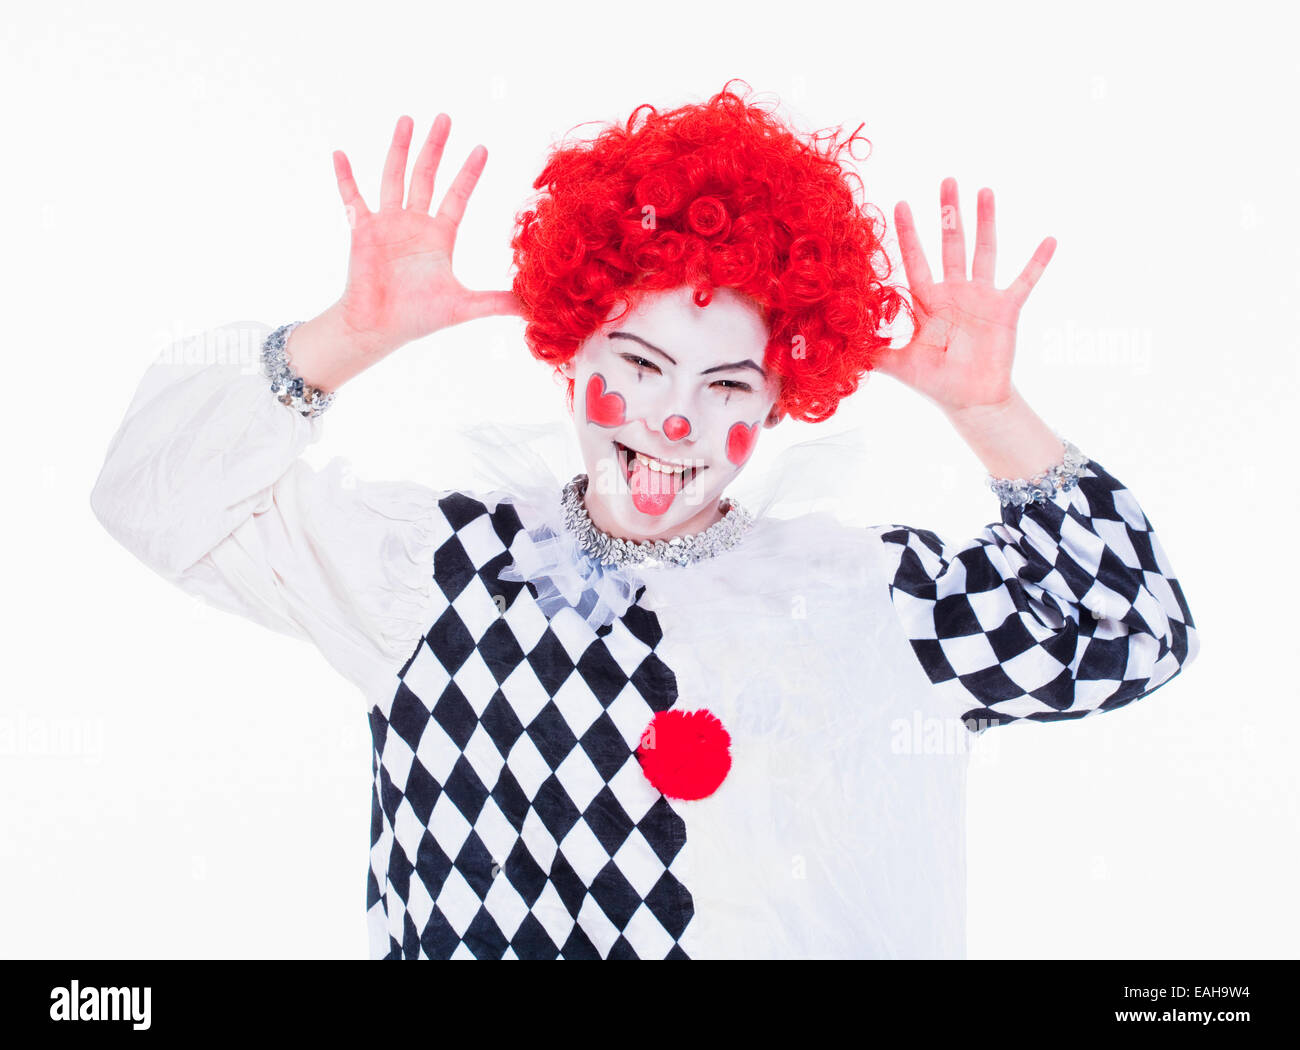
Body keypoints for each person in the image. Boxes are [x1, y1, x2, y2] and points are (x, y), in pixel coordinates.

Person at [90, 83, 1199, 959]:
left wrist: (990, 411)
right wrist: (344, 338)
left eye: (727, 386)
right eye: (639, 363)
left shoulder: (871, 602)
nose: (674, 417)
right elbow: (153, 498)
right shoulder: (437, 572)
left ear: (778, 399)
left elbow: (1134, 638)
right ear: (569, 354)